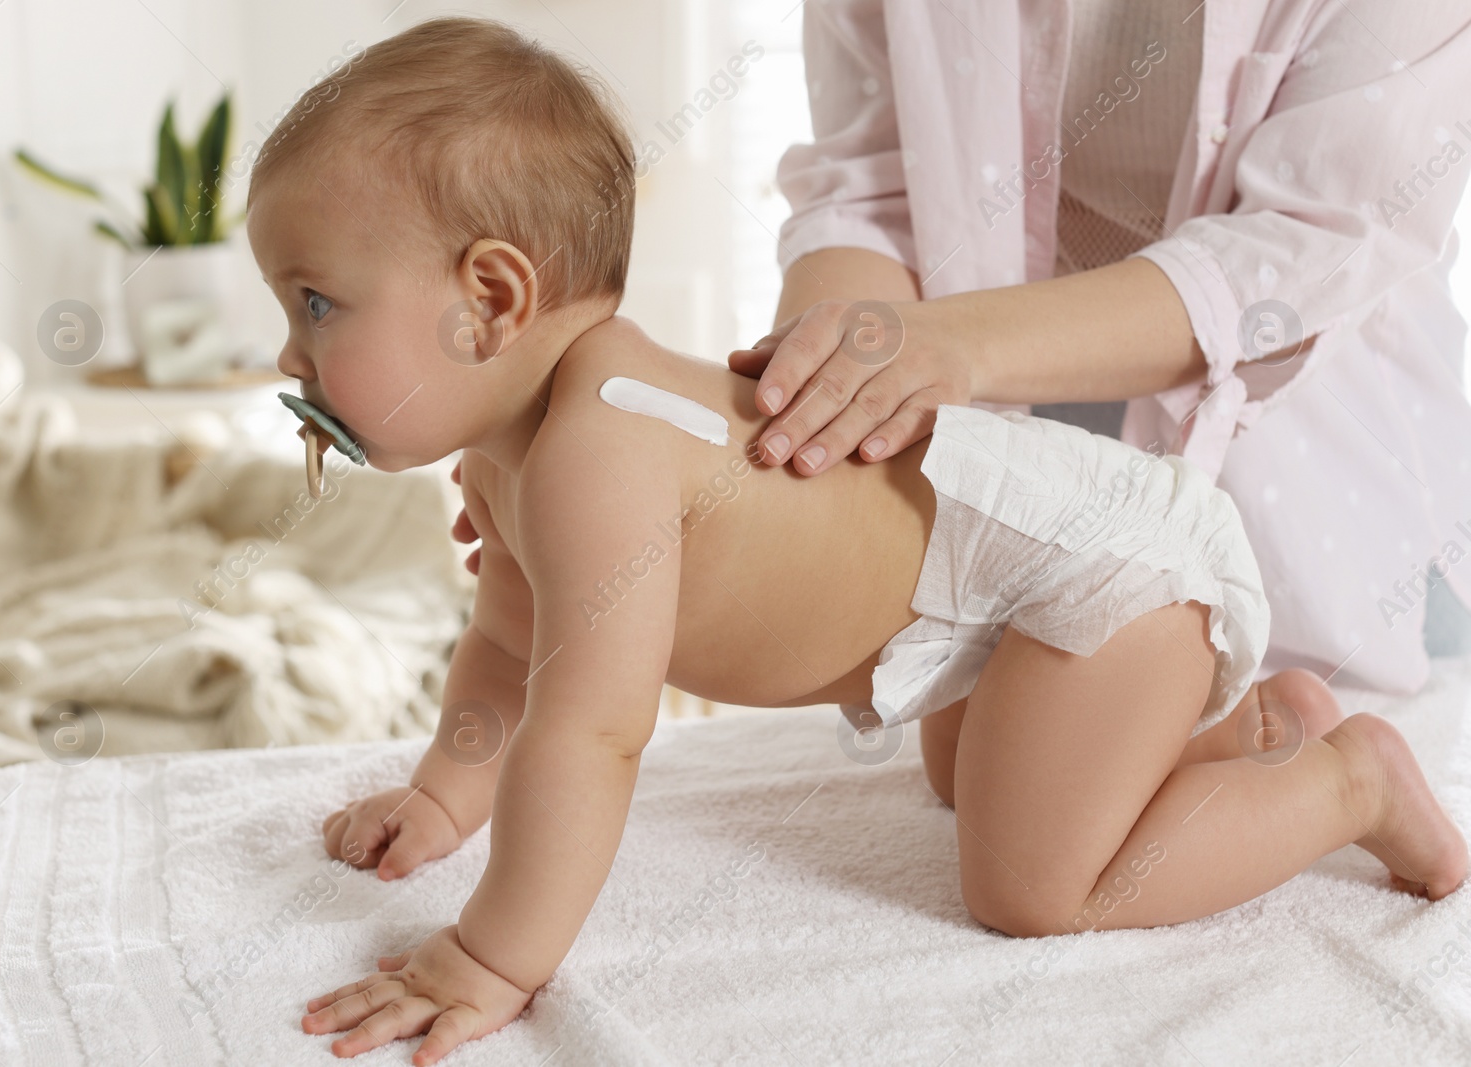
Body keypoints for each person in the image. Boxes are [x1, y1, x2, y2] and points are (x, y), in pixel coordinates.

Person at [245, 17, 1464, 1065]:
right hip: (985, 587)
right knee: (962, 779)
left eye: (316, 303)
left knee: (1032, 884)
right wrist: (445, 797)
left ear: (492, 300)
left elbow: (591, 732)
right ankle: (1246, 730)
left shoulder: (593, 456)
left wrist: (488, 957)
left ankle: (1342, 777)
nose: (289, 358)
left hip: (1109, 562)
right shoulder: (521, 452)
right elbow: (505, 644)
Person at [730, 0, 1471, 695]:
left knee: (1051, 811)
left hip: (1315, 479)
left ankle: (1353, 785)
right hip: (1008, 428)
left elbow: (1304, 240)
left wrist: (951, 345)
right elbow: (871, 187)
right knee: (968, 763)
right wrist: (824, 388)